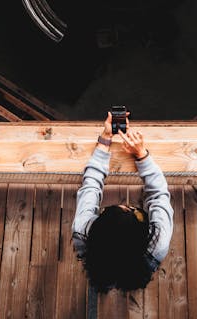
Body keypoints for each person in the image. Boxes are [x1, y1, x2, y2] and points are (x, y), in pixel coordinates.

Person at [72, 113, 173, 293]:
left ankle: (105, 281)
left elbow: (91, 187)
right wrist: (141, 155)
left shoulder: (82, 231)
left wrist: (105, 140)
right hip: (140, 261)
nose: (128, 204)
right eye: (133, 210)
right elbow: (158, 195)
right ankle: (123, 281)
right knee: (132, 276)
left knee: (102, 275)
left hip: (102, 259)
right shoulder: (158, 243)